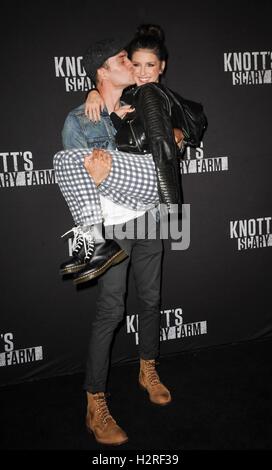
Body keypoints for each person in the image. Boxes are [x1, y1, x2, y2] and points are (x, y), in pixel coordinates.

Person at [53, 25, 206, 446]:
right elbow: (74, 183)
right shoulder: (78, 119)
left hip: (152, 218)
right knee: (110, 309)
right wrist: (96, 175)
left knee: (153, 297)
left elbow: (182, 127)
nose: (132, 65)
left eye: (137, 61)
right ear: (102, 72)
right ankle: (94, 400)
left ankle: (148, 367)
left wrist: (177, 135)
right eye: (123, 60)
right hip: (114, 229)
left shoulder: (144, 103)